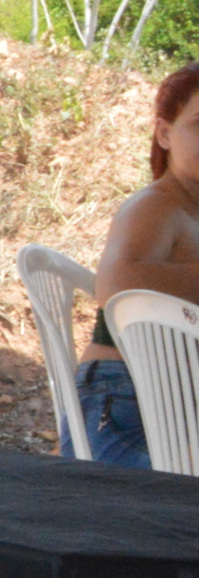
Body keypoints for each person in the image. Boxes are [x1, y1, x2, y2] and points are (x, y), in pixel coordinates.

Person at [79, 60, 199, 468]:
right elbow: (116, 285)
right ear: (164, 134)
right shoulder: (157, 205)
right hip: (124, 403)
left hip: (176, 406)